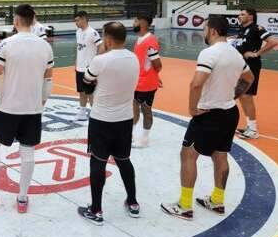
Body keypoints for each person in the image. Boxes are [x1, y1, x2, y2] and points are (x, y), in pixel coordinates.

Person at [161, 16, 254, 220]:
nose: (204, 32)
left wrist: (192, 108)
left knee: (188, 155)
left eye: (205, 29)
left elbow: (196, 84)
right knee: (220, 155)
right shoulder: (235, 54)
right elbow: (249, 78)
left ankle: (185, 205)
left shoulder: (209, 53)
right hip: (230, 112)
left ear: (212, 31)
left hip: (209, 114)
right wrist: (234, 95)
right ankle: (217, 200)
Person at [0, 4, 53, 213]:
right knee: (28, 152)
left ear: (16, 21)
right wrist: (40, 104)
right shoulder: (45, 47)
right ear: (33, 21)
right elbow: (47, 82)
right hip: (32, 111)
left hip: (7, 109)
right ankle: (23, 199)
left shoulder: (6, 44)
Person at [77, 22, 140, 225]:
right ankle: (132, 202)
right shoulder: (134, 59)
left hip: (101, 119)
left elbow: (86, 82)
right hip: (124, 119)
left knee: (98, 162)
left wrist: (101, 56)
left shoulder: (100, 61)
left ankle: (96, 210)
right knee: (124, 160)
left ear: (108, 39)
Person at [232, 9, 277, 139]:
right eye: (239, 14)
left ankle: (253, 130)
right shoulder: (242, 29)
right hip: (240, 65)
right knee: (241, 95)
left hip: (251, 66)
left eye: (242, 14)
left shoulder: (256, 28)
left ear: (251, 17)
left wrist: (257, 53)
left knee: (247, 96)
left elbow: (273, 42)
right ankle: (249, 127)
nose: (239, 16)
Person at [132, 14, 162, 148]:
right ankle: (130, 134)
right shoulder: (139, 39)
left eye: (136, 20)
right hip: (137, 82)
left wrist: (154, 76)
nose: (133, 23)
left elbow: (157, 64)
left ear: (143, 22)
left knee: (146, 110)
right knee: (133, 110)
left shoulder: (150, 41)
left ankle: (145, 138)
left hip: (147, 84)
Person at [74, 11, 103, 121]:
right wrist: (76, 62)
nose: (76, 23)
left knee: (90, 93)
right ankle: (82, 112)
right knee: (81, 91)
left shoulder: (93, 32)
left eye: (77, 20)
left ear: (84, 19)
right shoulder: (78, 32)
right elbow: (79, 49)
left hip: (89, 69)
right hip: (79, 68)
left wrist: (96, 62)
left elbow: (101, 46)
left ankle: (95, 115)